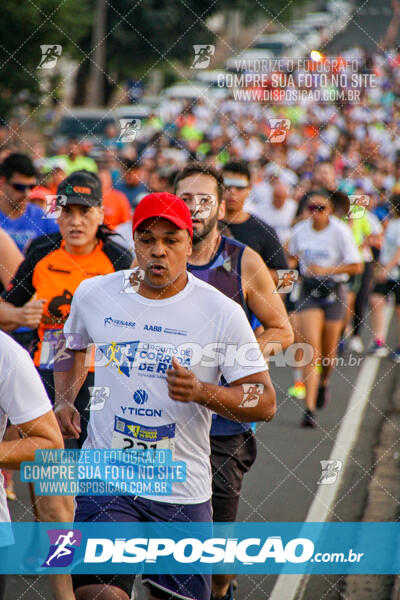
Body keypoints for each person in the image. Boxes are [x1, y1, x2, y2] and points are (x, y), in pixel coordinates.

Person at [54, 192, 276, 600]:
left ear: (190, 244)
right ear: (133, 242)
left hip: (181, 490)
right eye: (147, 239)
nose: (158, 251)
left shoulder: (221, 311)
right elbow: (70, 346)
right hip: (107, 477)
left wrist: (202, 392)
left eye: (171, 240)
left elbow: (264, 400)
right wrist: (65, 399)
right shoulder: (94, 294)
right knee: (98, 595)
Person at [0, 170, 132, 600]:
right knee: (55, 498)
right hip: (41, 385)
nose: (75, 221)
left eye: (85, 211)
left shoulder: (118, 256)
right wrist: (19, 316)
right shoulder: (40, 250)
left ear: (100, 214)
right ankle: (65, 591)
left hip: (105, 386)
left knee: (97, 495)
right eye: (67, 211)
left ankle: (95, 563)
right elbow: (8, 307)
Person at [174, 163, 293, 600]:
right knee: (162, 550)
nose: (194, 208)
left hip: (225, 424)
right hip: (163, 424)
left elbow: (282, 331)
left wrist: (237, 361)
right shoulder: (154, 255)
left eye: (204, 199)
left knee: (215, 559)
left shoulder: (242, 260)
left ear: (221, 208)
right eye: (185, 198)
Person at [288, 190, 362, 428]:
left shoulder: (340, 232)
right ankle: (309, 410)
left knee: (329, 354)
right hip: (309, 292)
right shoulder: (300, 231)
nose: (315, 213)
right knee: (311, 348)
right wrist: (292, 271)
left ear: (330, 210)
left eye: (321, 208)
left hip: (333, 291)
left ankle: (323, 383)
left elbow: (356, 266)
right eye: (311, 208)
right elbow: (288, 258)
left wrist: (326, 271)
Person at [0, 330, 63, 599]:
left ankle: (66, 594)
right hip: (51, 391)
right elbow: (16, 310)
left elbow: (50, 444)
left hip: (77, 409)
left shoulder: (8, 354)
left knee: (60, 509)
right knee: (52, 508)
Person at [219, 161, 288, 282]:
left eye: (239, 187)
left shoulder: (264, 231)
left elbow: (288, 280)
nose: (232, 192)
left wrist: (253, 269)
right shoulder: (205, 226)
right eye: (227, 186)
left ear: (249, 189)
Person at [0, 153, 58, 253]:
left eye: (31, 187)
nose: (27, 193)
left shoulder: (44, 219)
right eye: (20, 187)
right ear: (2, 182)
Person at [369, 194, 400, 360]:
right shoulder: (392, 224)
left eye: (392, 206)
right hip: (387, 270)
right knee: (375, 300)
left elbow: (398, 251)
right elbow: (386, 248)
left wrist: (386, 269)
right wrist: (380, 266)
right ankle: (379, 340)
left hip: (396, 271)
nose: (389, 208)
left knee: (398, 310)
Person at [247, 180, 297, 245]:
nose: (280, 201)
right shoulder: (261, 208)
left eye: (282, 198)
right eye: (277, 198)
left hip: (286, 243)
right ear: (272, 196)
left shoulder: (293, 206)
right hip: (267, 242)